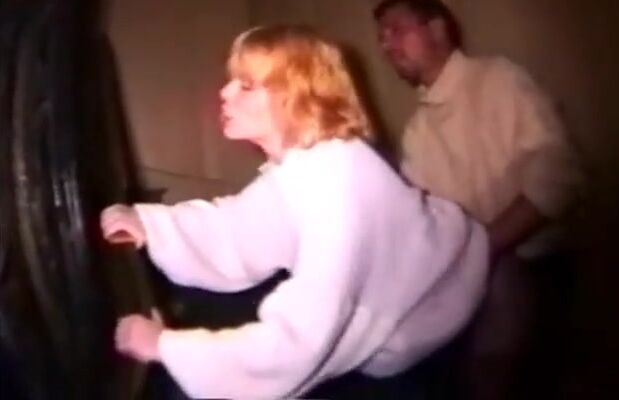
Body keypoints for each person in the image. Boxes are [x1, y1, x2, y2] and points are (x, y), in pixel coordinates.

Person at [100, 25, 489, 399]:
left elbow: (305, 334)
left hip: (441, 305)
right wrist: (149, 224)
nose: (224, 92)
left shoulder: (337, 179)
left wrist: (164, 347)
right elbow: (237, 229)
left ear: (295, 95)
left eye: (246, 85)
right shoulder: (304, 164)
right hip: (415, 308)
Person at [373, 0, 585, 398]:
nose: (386, 45)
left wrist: (485, 248)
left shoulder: (498, 78)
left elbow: (559, 173)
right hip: (472, 284)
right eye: (381, 37)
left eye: (396, 30)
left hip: (538, 271)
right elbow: (426, 223)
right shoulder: (418, 130)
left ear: (438, 29)